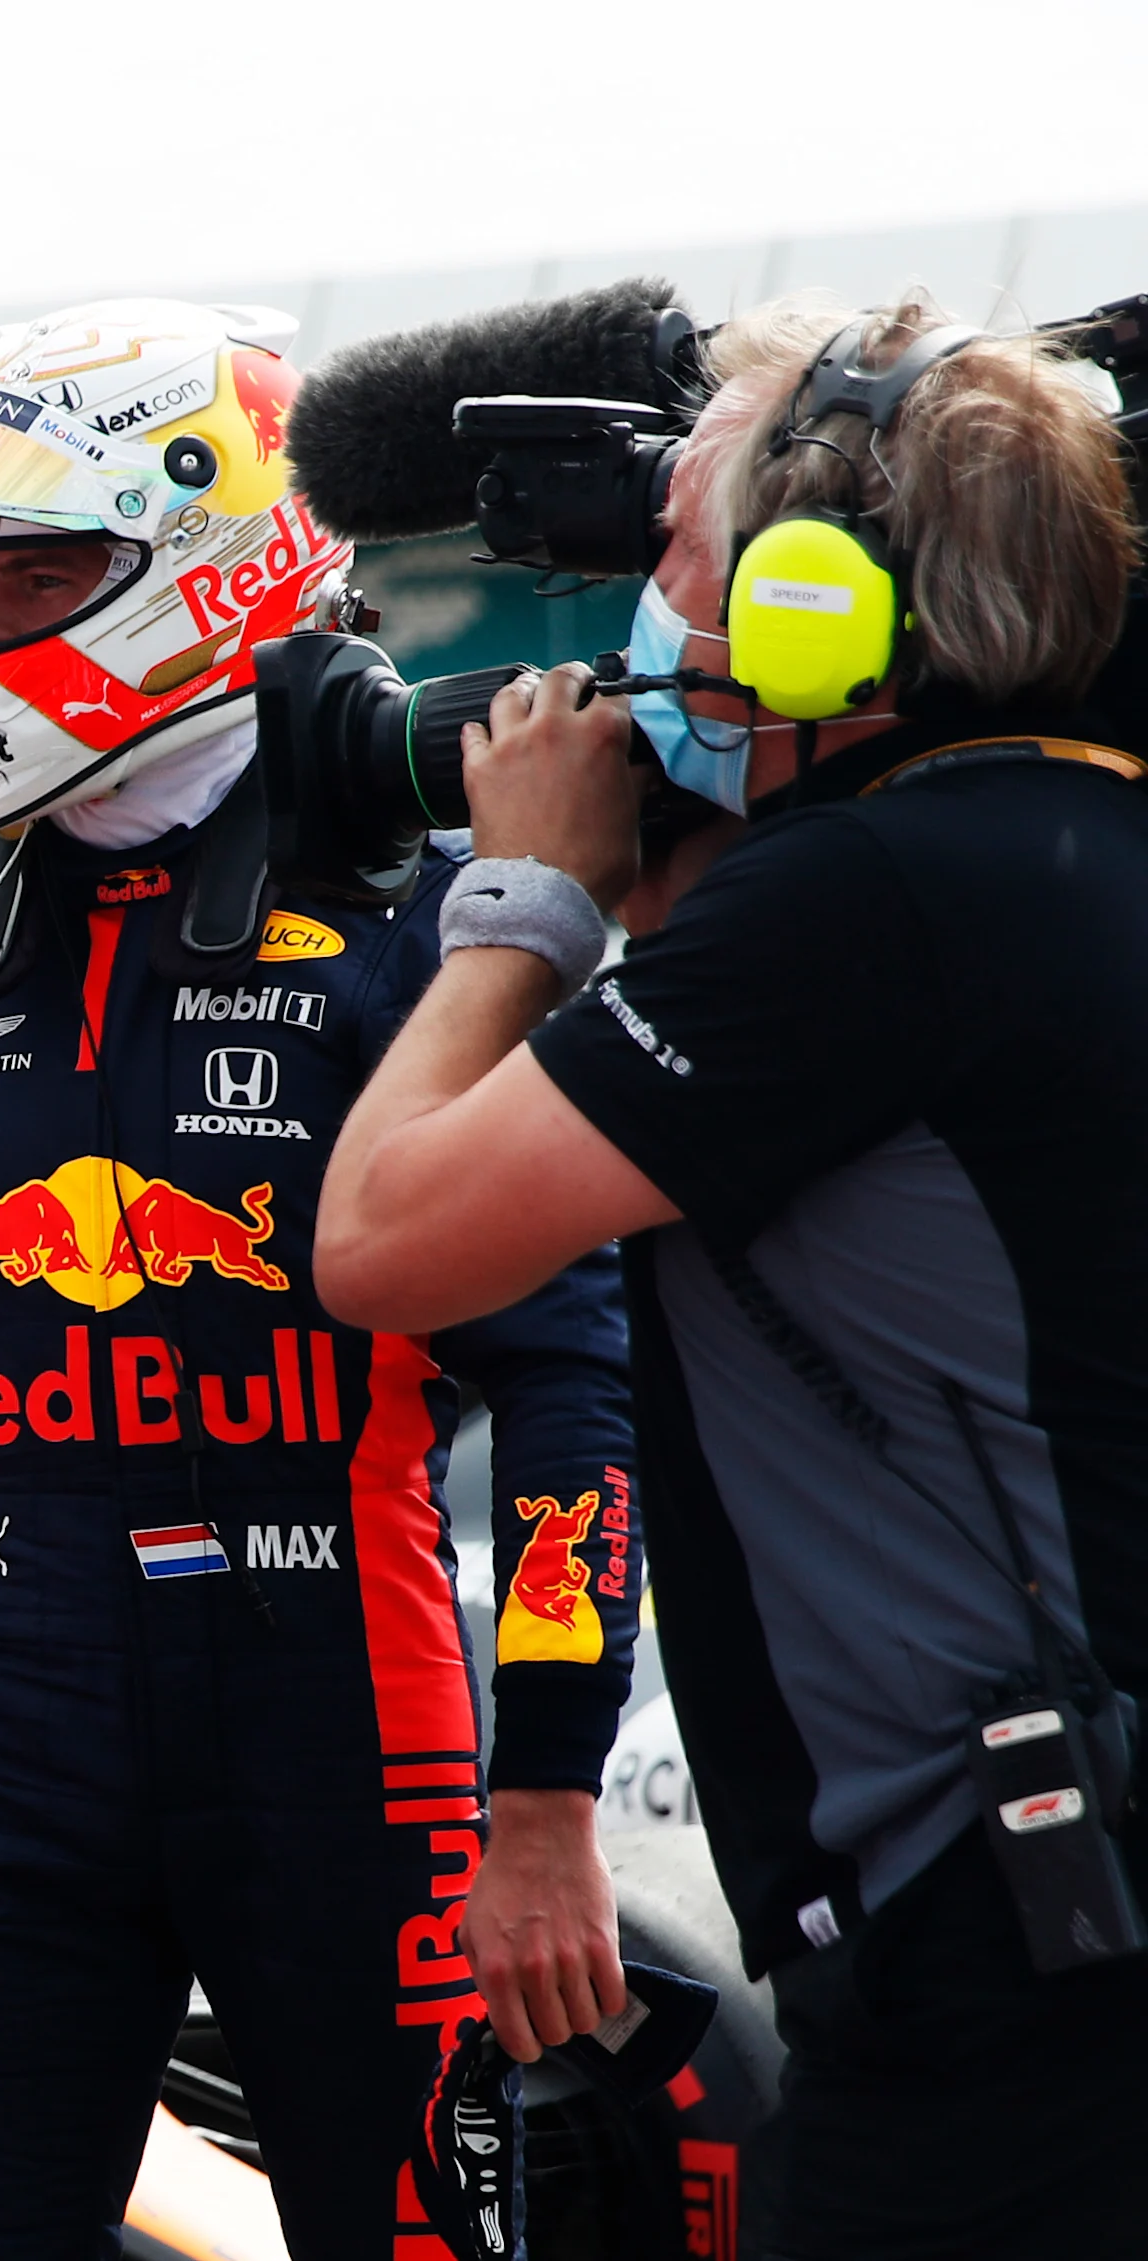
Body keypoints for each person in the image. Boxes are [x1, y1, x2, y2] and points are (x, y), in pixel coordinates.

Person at [0, 299, 647, 2260]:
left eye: (31, 569)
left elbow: (574, 1386)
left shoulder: (428, 931)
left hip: (357, 1737)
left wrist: (547, 1802)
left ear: (200, 558)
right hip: (8, 1723)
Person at [319, 297, 1148, 2258]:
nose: (626, 623)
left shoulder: (868, 904)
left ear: (806, 603)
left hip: (1005, 1937)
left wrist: (519, 895)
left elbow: (384, 1236)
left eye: (670, 549)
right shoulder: (1054, 829)